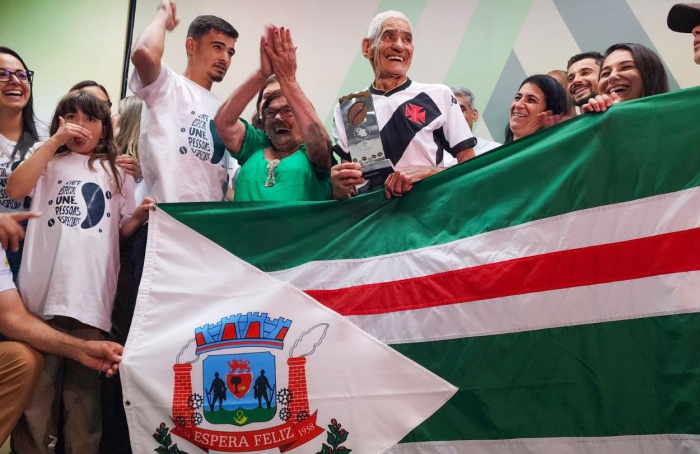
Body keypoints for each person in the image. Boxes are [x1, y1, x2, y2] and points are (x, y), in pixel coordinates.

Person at [7, 91, 154, 454]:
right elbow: (15, 188)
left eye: (90, 119)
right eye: (70, 116)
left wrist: (136, 217)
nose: (79, 125)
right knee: (36, 401)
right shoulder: (45, 160)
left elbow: (116, 232)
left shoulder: (116, 169)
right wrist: (54, 141)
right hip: (39, 299)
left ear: (104, 129)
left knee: (83, 401)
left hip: (91, 299)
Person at [330, 10, 476, 200]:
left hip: (429, 217)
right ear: (367, 47)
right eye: (389, 36)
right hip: (374, 221)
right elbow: (351, 190)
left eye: (407, 40)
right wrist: (339, 189)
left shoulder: (438, 95)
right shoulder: (352, 107)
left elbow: (471, 166)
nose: (399, 46)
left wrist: (426, 173)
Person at [0, 221, 123, 446]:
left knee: (23, 360)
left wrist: (81, 350)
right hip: (43, 289)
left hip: (90, 297)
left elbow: (12, 318)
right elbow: (15, 190)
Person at [214, 26, 332, 201]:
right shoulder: (255, 146)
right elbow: (223, 123)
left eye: (287, 111)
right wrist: (262, 74)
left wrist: (288, 78)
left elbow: (321, 146)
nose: (278, 117)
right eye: (271, 112)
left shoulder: (311, 154)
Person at [0, 47, 47, 280]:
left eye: (22, 75)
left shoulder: (49, 139)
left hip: (38, 250)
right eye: (3, 74)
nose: (15, 81)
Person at [582, 43, 669, 113]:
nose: (612, 76)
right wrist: (592, 123)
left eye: (626, 67)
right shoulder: (595, 122)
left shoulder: (676, 120)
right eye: (606, 73)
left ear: (650, 76)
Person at [504, 74, 568, 143]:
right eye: (517, 98)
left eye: (531, 100)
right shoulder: (493, 149)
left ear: (549, 113)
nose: (518, 105)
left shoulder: (555, 152)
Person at [451, 86, 501, 155]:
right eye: (449, 112)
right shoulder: (434, 155)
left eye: (461, 110)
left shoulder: (494, 150)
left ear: (474, 115)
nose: (455, 116)